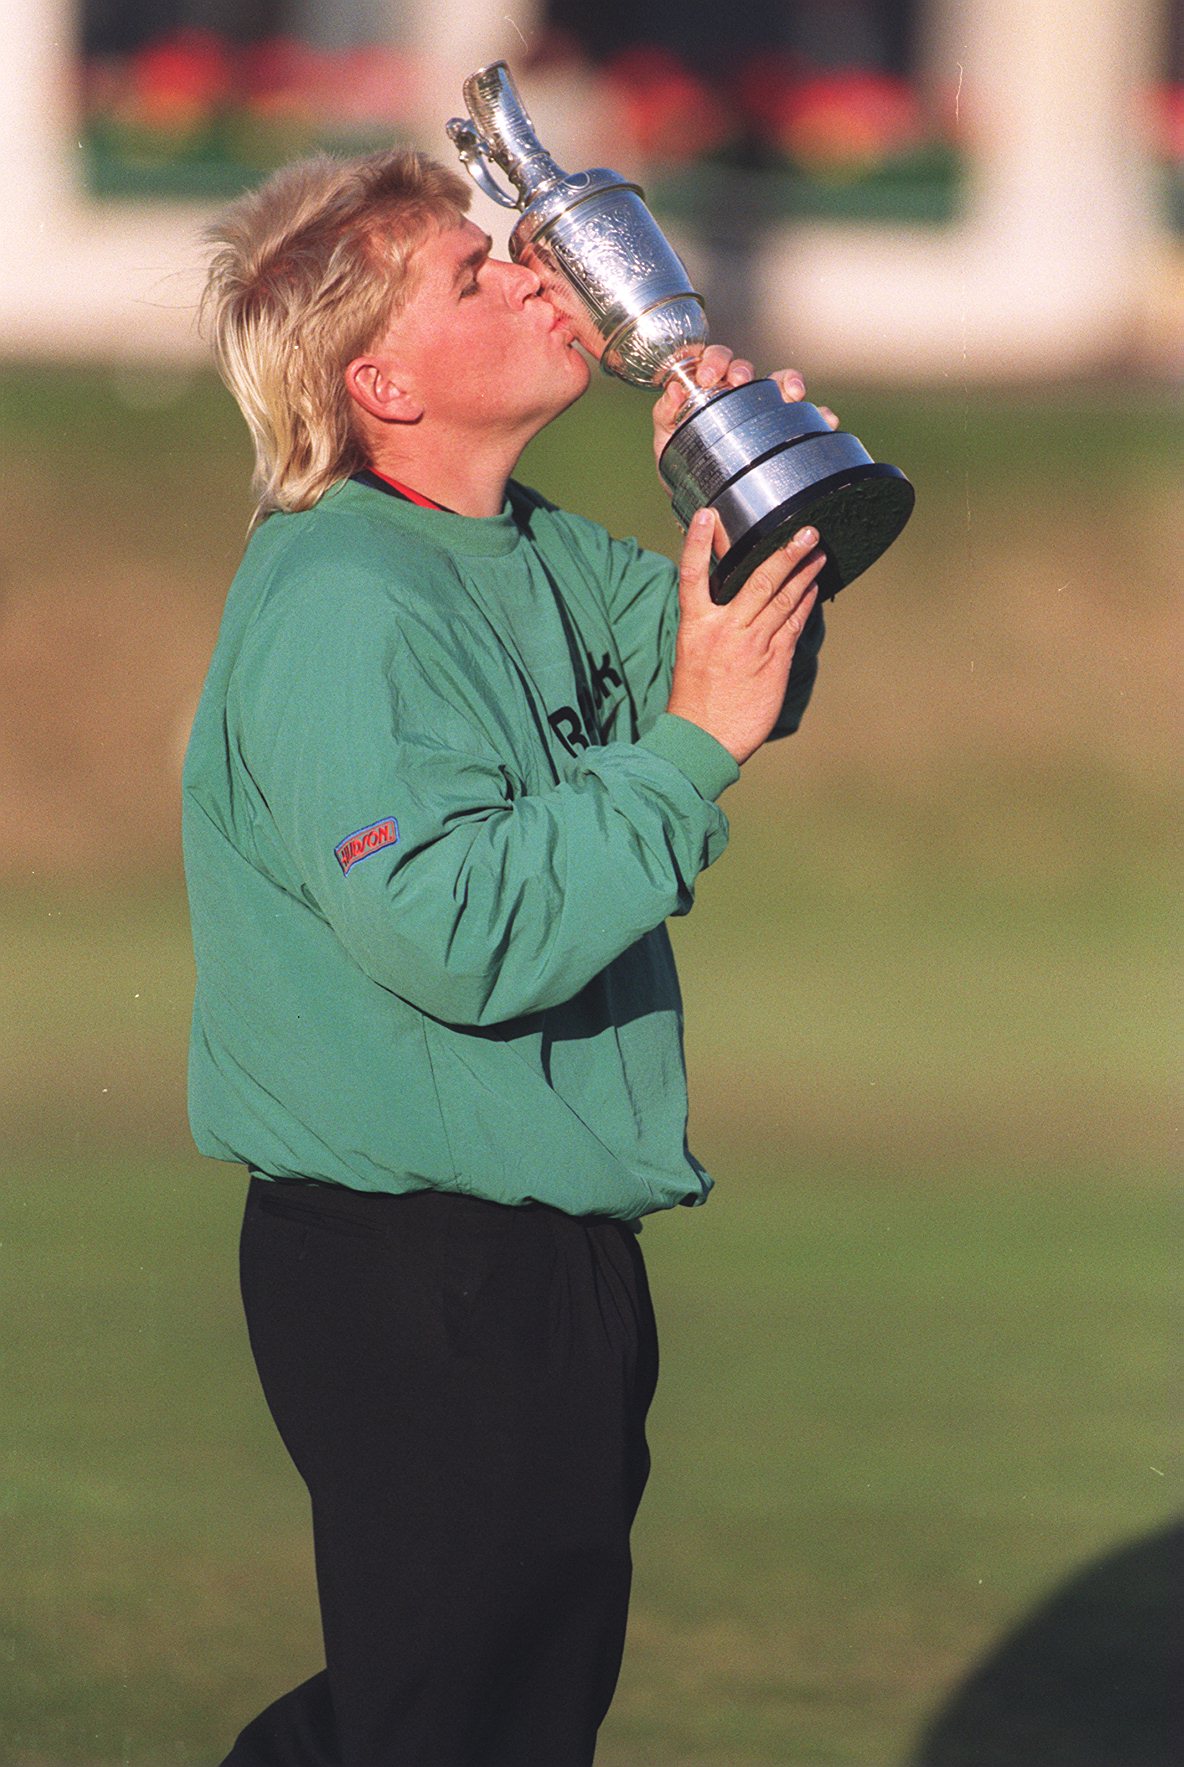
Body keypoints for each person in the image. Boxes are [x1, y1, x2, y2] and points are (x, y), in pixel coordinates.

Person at [184, 147, 831, 1767]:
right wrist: (686, 753)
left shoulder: (523, 547)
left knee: (493, 1715)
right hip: (413, 1266)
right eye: (477, 275)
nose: (542, 277)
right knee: (451, 1724)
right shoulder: (345, 595)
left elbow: (746, 662)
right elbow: (452, 932)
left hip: (538, 1254)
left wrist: (731, 468)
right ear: (380, 381)